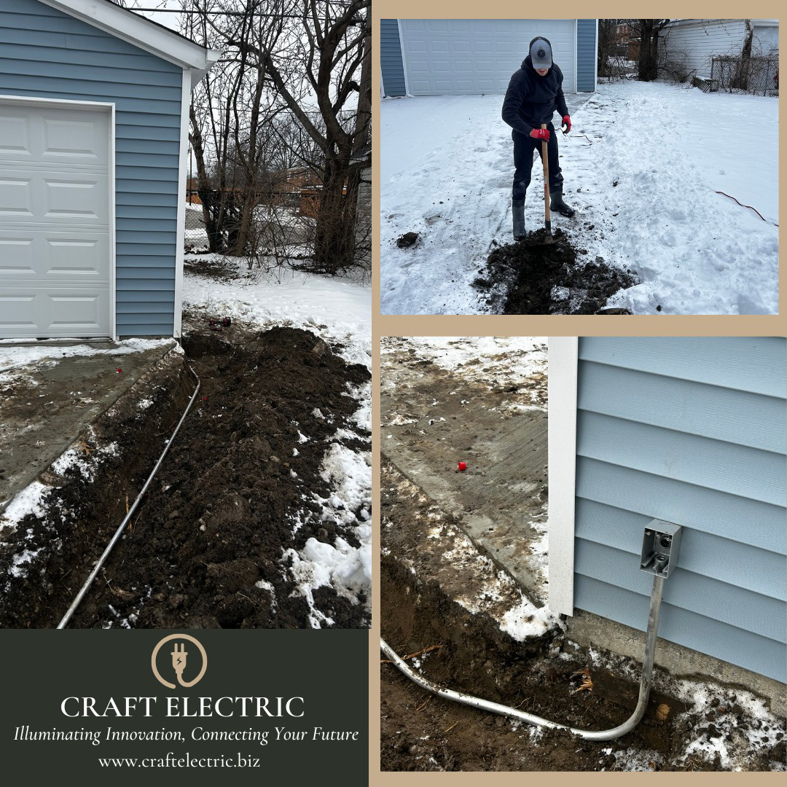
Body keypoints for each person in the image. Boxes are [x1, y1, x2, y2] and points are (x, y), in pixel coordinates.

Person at [502, 36, 575, 240]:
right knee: (522, 177)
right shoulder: (520, 79)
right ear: (531, 60)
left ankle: (557, 202)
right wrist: (531, 132)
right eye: (538, 66)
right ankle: (518, 223)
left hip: (547, 129)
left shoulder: (556, 72)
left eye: (545, 65)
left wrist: (565, 113)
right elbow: (508, 113)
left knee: (554, 169)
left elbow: (558, 94)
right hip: (525, 133)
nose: (542, 70)